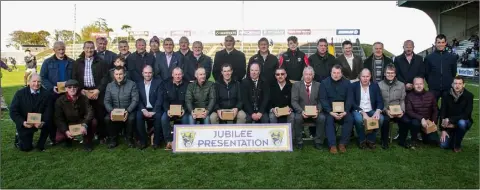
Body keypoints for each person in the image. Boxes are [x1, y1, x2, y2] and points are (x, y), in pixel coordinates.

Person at [72, 41, 110, 144]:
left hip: (97, 90)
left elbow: (105, 77)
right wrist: (81, 90)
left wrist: (98, 90)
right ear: (83, 48)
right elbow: (74, 78)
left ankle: (102, 135)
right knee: (85, 114)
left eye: (91, 48)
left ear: (95, 49)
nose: (89, 50)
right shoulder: (78, 62)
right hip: (83, 91)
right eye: (87, 48)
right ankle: (87, 135)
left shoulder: (101, 62)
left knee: (100, 114)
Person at [40, 41, 75, 145]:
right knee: (52, 115)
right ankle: (53, 137)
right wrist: (52, 87)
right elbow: (42, 77)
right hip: (52, 94)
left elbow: (74, 77)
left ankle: (68, 136)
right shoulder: (47, 62)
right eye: (59, 49)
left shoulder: (71, 62)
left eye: (63, 49)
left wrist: (71, 88)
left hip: (67, 94)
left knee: (67, 115)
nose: (61, 51)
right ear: (54, 50)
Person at [9, 73, 52, 152]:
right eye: (34, 81)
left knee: (50, 123)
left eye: (39, 82)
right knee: (26, 148)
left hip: (40, 120)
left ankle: (41, 143)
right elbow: (13, 111)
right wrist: (23, 122)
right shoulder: (20, 93)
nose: (36, 84)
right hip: (25, 121)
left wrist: (43, 122)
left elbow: (48, 111)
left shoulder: (47, 94)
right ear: (29, 82)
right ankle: (19, 136)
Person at [320, 65, 354, 154]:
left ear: (342, 74)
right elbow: (323, 99)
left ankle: (342, 143)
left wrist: (345, 111)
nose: (336, 75)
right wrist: (330, 112)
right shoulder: (324, 83)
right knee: (329, 120)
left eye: (338, 73)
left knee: (349, 119)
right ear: (331, 73)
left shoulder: (347, 83)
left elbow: (350, 98)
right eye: (334, 72)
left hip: (344, 111)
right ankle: (332, 145)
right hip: (330, 111)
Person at [104, 66, 139, 149]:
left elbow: (135, 100)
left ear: (125, 74)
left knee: (131, 119)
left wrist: (128, 111)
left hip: (128, 110)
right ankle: (113, 140)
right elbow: (106, 101)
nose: (118, 76)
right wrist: (111, 111)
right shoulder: (109, 86)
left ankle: (129, 139)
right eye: (116, 74)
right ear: (114, 75)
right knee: (107, 119)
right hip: (114, 110)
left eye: (120, 74)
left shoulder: (132, 84)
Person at [54, 79, 94, 151]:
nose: (72, 89)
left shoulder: (84, 98)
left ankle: (87, 141)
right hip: (68, 123)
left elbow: (90, 112)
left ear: (77, 88)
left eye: (74, 87)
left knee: (93, 122)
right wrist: (65, 130)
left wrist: (84, 124)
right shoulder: (60, 101)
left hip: (81, 121)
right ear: (66, 89)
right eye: (69, 87)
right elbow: (58, 118)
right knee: (58, 138)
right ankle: (68, 139)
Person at [291, 66, 325, 150]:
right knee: (297, 118)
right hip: (302, 112)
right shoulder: (296, 85)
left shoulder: (319, 85)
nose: (308, 76)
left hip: (315, 112)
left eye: (310, 74)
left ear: (313, 76)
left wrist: (318, 110)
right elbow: (294, 101)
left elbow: (321, 100)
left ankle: (318, 141)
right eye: (306, 74)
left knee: (322, 118)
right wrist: (301, 111)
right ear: (303, 75)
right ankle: (299, 142)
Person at [378, 64, 411, 149]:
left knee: (406, 120)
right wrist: (386, 110)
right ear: (384, 74)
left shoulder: (401, 85)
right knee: (385, 120)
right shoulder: (379, 85)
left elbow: (402, 100)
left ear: (395, 74)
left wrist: (402, 111)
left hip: (398, 110)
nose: (390, 75)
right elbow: (379, 101)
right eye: (388, 73)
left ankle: (402, 141)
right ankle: (384, 141)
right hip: (386, 110)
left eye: (392, 73)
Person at [351, 69, 384, 149]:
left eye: (367, 76)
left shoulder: (375, 86)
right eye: (363, 76)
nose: (365, 78)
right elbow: (352, 102)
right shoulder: (354, 86)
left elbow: (380, 101)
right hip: (358, 110)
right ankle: (361, 139)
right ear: (360, 77)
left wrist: (377, 111)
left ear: (370, 77)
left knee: (381, 118)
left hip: (370, 109)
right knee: (359, 119)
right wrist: (362, 112)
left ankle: (370, 139)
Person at [439, 76, 474, 152]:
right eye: (455, 83)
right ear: (452, 84)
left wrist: (451, 120)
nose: (457, 86)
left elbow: (466, 114)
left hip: (463, 121)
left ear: (463, 85)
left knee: (461, 123)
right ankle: (453, 135)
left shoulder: (469, 96)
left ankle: (457, 146)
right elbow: (442, 112)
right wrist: (443, 130)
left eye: (459, 83)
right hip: (449, 123)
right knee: (443, 145)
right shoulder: (446, 94)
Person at [405, 77, 440, 147]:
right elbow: (409, 111)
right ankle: (414, 139)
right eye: (416, 84)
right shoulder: (409, 96)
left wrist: (433, 121)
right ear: (413, 85)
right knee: (415, 123)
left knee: (433, 141)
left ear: (423, 85)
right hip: (416, 121)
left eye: (420, 84)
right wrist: (421, 118)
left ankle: (423, 135)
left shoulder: (430, 95)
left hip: (428, 122)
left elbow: (435, 110)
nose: (419, 86)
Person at [161, 67, 189, 150]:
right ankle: (169, 141)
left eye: (179, 74)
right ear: (172, 75)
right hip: (170, 110)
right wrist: (167, 110)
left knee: (186, 119)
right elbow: (164, 100)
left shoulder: (187, 85)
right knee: (163, 118)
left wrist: (185, 109)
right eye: (176, 74)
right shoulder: (166, 84)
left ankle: (183, 141)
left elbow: (189, 100)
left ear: (182, 75)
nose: (178, 76)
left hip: (183, 110)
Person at [136, 65, 163, 149]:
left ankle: (156, 142)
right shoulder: (138, 84)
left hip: (155, 108)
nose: (148, 75)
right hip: (144, 108)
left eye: (150, 73)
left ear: (153, 73)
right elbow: (138, 99)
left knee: (158, 117)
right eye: (146, 73)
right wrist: (143, 110)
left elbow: (160, 99)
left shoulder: (159, 83)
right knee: (138, 117)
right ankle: (143, 141)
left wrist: (154, 111)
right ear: (142, 73)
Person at [424, 34, 458, 102]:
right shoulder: (428, 58)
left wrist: (448, 82)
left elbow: (453, 72)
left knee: (446, 110)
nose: (441, 44)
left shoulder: (452, 57)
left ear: (445, 43)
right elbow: (426, 73)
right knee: (432, 110)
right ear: (435, 43)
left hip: (447, 88)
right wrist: (432, 83)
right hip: (433, 88)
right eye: (439, 42)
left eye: (442, 42)